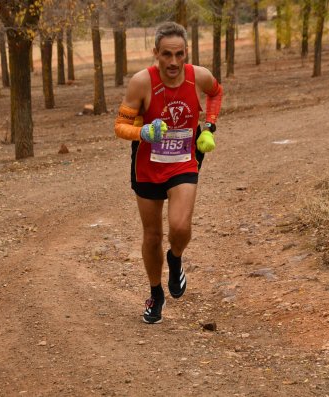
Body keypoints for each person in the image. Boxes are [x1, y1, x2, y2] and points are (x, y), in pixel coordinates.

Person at [114, 22, 223, 324]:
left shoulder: (198, 76)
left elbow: (216, 93)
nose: (173, 62)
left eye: (179, 54)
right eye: (167, 55)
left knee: (179, 226)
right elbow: (119, 127)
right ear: (156, 54)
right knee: (151, 235)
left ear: (186, 53)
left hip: (184, 161)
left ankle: (175, 259)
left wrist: (210, 125)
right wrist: (143, 132)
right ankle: (155, 293)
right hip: (148, 166)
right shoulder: (141, 83)